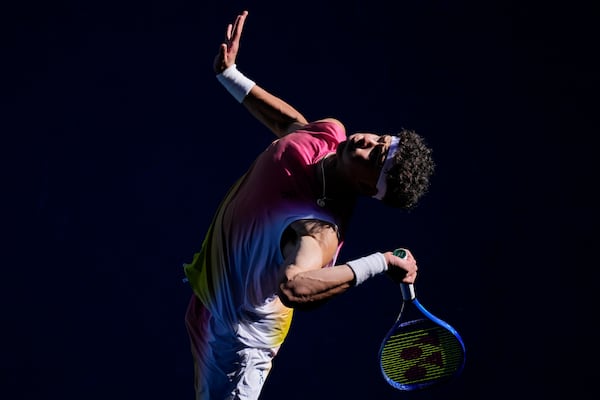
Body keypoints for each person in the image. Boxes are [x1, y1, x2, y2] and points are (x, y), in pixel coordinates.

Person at [183, 10, 436, 400]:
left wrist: (381, 262)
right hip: (209, 303)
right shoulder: (330, 134)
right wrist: (231, 75)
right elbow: (292, 129)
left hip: (238, 349)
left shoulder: (318, 229)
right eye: (380, 139)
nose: (366, 143)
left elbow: (295, 287)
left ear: (370, 188)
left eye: (375, 158)